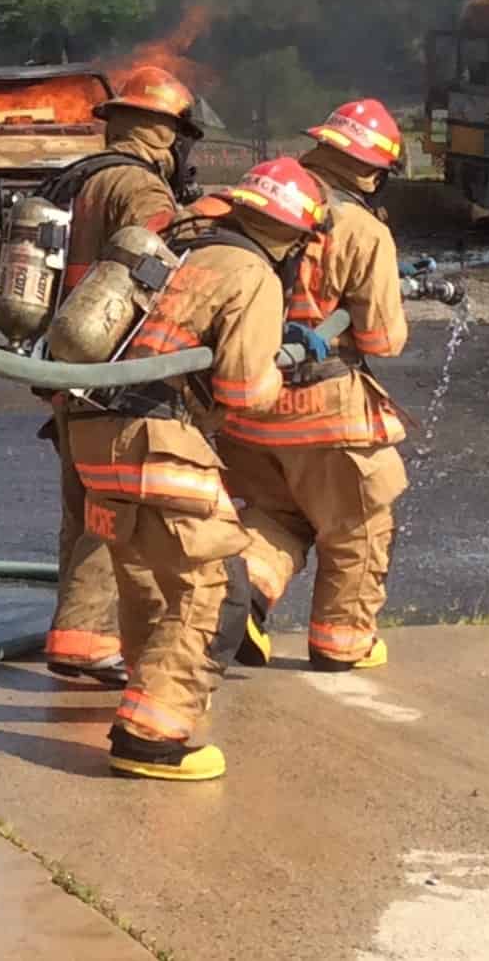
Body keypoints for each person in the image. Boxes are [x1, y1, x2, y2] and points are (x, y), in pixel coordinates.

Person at [67, 157, 325, 781]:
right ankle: (150, 736)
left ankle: (145, 695)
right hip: (157, 440)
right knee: (217, 589)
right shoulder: (254, 273)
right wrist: (284, 363)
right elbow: (242, 390)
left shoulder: (183, 249)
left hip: (93, 432)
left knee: (149, 580)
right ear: (294, 234)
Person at [219, 101, 411, 672]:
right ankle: (340, 644)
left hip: (247, 403)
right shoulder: (362, 229)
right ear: (372, 172)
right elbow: (380, 339)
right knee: (358, 524)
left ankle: (240, 602)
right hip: (327, 411)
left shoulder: (256, 203)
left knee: (279, 514)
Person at [37, 66, 201, 687]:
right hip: (117, 371)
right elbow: (174, 268)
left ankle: (76, 633)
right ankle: (87, 640)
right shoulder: (140, 188)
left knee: (82, 504)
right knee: (117, 508)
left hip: (65, 365)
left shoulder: (77, 178)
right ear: (164, 133)